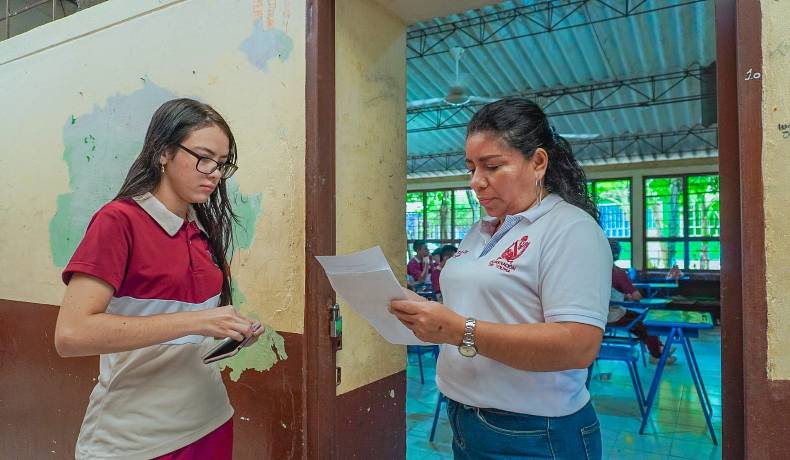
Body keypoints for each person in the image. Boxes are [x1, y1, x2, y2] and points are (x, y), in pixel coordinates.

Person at [390, 98, 610, 459]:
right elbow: (483, 307)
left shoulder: (569, 229)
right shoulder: (480, 231)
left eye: (492, 166)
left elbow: (578, 345)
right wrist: (427, 313)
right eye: (471, 168)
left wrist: (460, 330)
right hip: (465, 418)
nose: (476, 182)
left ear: (538, 162)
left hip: (534, 432)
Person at [54, 98, 265, 460]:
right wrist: (197, 321)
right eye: (203, 158)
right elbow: (71, 335)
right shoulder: (119, 221)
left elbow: (186, 329)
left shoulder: (204, 226)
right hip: (136, 438)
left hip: (211, 419)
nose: (214, 173)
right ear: (164, 152)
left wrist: (230, 332)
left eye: (222, 163)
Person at [608, 241, 675, 365]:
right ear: (617, 254)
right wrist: (630, 295)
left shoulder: (594, 272)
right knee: (646, 323)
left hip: (598, 315)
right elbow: (636, 297)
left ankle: (658, 346)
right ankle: (656, 355)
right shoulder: (618, 273)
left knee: (639, 318)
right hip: (613, 316)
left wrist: (624, 295)